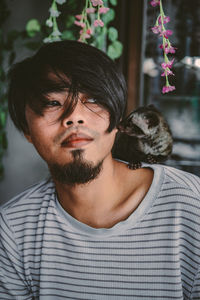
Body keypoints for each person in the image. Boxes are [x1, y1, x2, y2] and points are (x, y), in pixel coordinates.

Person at [0, 40, 200, 300]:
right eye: (52, 102)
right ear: (26, 129)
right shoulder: (12, 231)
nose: (74, 117)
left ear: (118, 117)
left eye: (92, 99)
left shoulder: (192, 207)